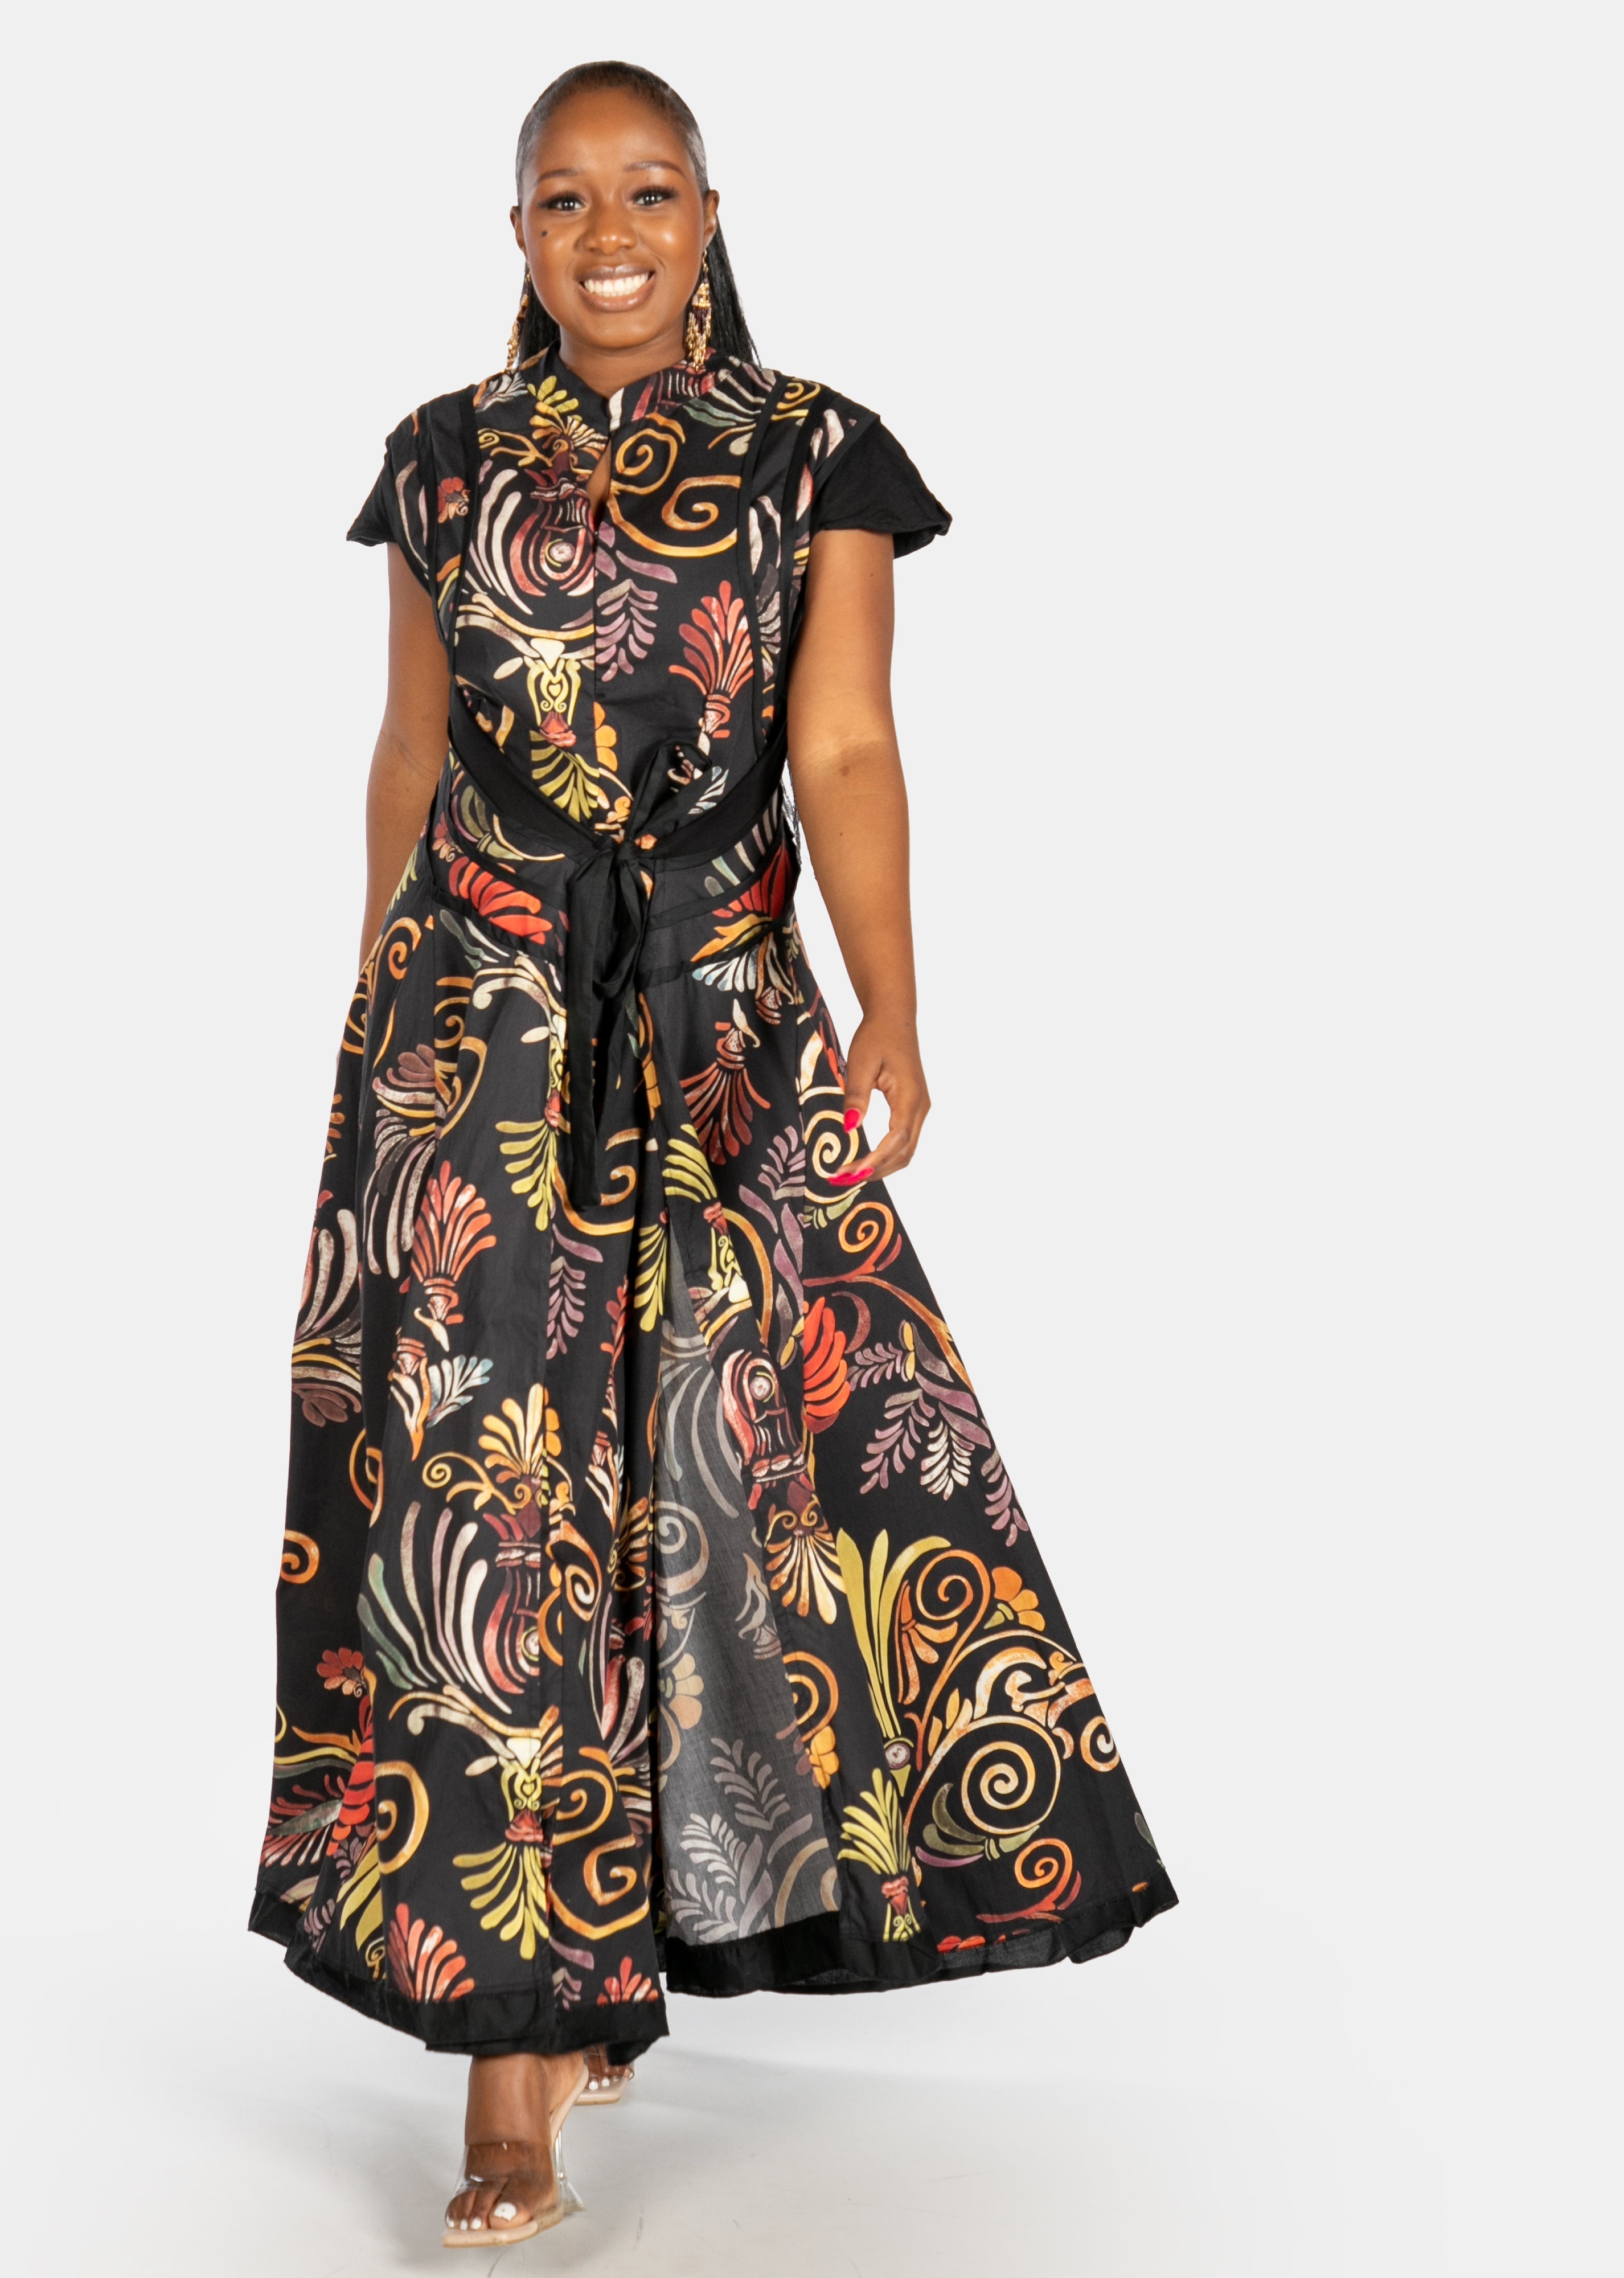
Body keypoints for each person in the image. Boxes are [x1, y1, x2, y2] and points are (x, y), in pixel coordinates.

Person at [252, 59, 1178, 2249]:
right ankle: (511, 2062)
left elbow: (843, 741)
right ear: (517, 234)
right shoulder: (441, 461)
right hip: (477, 1047)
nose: (611, 234)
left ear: (709, 213)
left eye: (649, 191)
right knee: (491, 1510)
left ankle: (636, 1950)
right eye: (566, 198)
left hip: (720, 1028)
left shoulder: (815, 450)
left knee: (735, 1482)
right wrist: (377, 1025)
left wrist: (893, 1004)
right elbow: (410, 752)